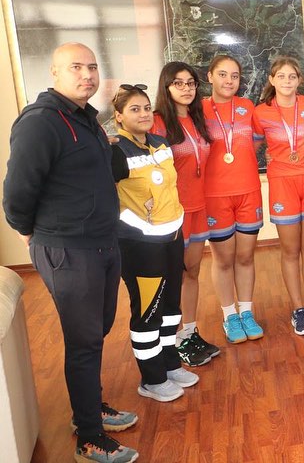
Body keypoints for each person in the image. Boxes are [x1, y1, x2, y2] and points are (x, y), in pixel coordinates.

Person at [3, 43, 139, 462]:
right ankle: (89, 438)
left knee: (97, 331)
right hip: (68, 250)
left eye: (92, 67)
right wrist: (29, 231)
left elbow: (111, 172)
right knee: (84, 341)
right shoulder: (41, 122)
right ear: (55, 72)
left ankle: (89, 409)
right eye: (76, 67)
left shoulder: (87, 118)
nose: (87, 75)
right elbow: (17, 192)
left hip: (103, 242)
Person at [111, 83, 199, 403]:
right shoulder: (115, 151)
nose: (144, 114)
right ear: (118, 116)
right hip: (139, 244)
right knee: (148, 311)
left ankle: (170, 363)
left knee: (171, 308)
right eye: (134, 109)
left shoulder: (160, 144)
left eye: (147, 108)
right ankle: (151, 378)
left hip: (172, 237)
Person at [253, 56, 304, 335]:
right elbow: (250, 149)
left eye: (292, 76)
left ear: (300, 80)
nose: (287, 81)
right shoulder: (261, 112)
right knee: (290, 250)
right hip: (282, 184)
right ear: (272, 80)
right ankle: (298, 309)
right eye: (281, 76)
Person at [152, 62, 219, 367]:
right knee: (172, 276)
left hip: (198, 207)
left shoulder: (197, 119)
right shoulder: (157, 123)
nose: (186, 88)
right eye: (178, 83)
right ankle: (173, 339)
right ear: (166, 87)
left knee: (192, 271)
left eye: (190, 83)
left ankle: (189, 333)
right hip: (172, 213)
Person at [203, 55, 265, 344]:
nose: (229, 81)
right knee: (223, 259)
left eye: (235, 76)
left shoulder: (247, 107)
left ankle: (247, 312)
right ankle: (229, 315)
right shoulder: (199, 109)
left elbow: (257, 141)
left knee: (245, 256)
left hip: (248, 191)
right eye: (223, 74)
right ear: (210, 76)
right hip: (215, 195)